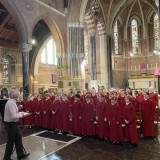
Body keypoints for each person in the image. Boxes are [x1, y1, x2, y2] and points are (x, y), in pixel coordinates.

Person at [3, 89, 30, 160]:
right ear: (14, 95)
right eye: (17, 93)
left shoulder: (12, 102)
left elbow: (13, 112)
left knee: (18, 139)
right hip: (11, 124)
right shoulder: (11, 103)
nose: (18, 94)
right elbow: (14, 116)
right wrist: (22, 115)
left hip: (12, 124)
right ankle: (6, 157)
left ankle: (20, 155)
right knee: (11, 141)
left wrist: (18, 108)